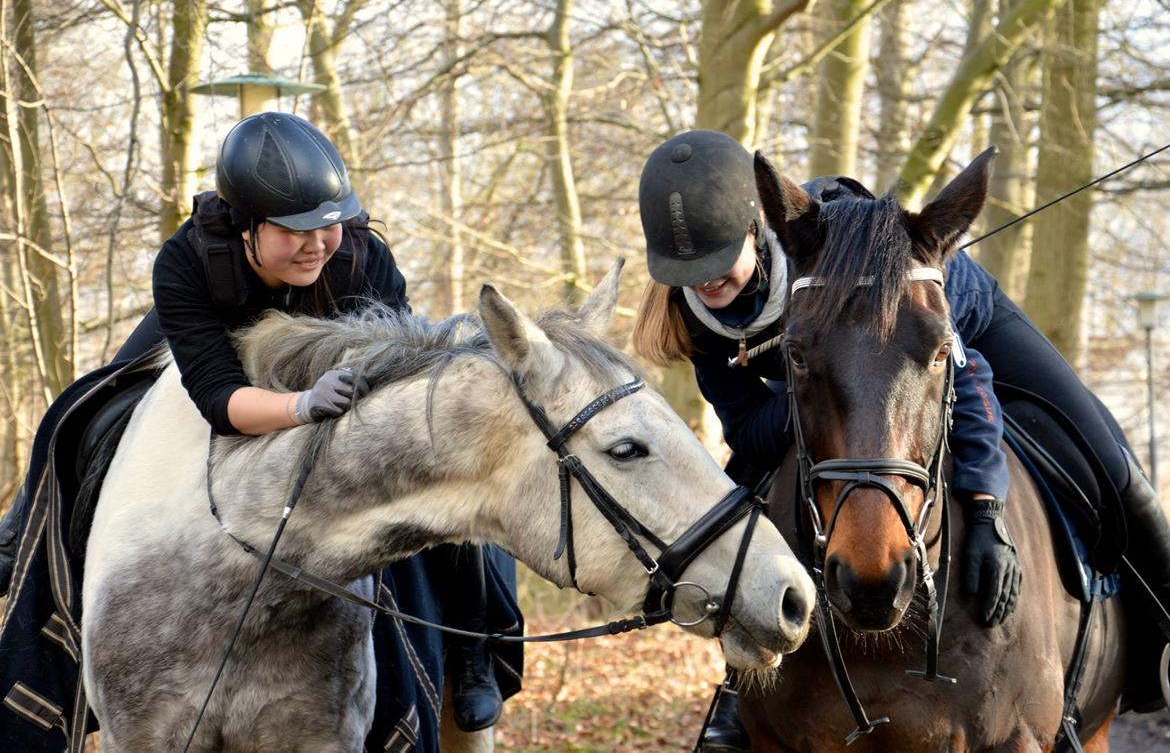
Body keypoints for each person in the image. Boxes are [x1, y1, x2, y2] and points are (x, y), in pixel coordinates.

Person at [632, 130, 1170, 750]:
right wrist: (822, 390)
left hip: (944, 316)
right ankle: (741, 689)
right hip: (844, 387)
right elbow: (748, 429)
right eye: (687, 273)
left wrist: (987, 510)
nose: (704, 285)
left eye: (716, 263)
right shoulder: (691, 314)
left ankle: (1161, 632)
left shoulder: (827, 246)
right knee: (738, 505)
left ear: (758, 228)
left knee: (1103, 453)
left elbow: (967, 384)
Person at [0, 112, 517, 748]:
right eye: (294, 230)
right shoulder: (186, 262)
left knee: (437, 464)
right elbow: (218, 398)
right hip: (226, 341)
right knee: (89, 405)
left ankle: (475, 648)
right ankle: (27, 543)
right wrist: (301, 406)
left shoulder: (359, 258)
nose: (316, 243)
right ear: (244, 227)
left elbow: (399, 395)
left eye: (328, 223)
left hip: (335, 354)